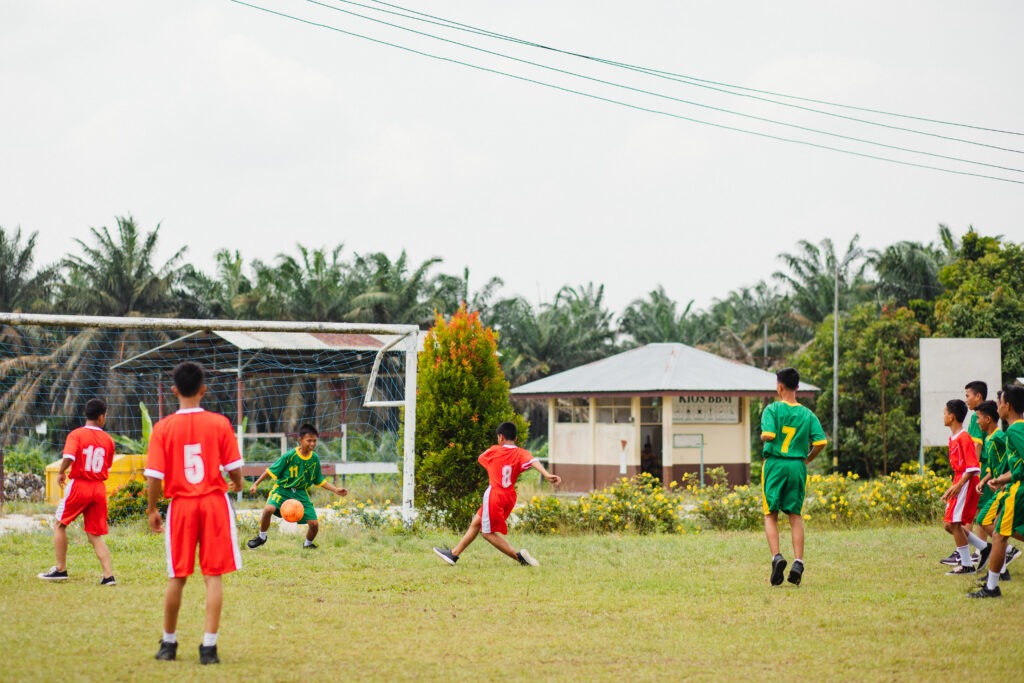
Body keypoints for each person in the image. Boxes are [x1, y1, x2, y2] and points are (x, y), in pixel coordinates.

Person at [145, 361, 245, 665]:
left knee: (177, 576)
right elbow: (235, 469)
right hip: (214, 503)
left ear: (174, 390)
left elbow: (154, 477)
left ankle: (169, 644)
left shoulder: (162, 428)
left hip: (182, 507)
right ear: (203, 390)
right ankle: (209, 648)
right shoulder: (219, 423)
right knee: (213, 576)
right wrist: (238, 483)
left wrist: (152, 509)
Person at [433, 421, 561, 567]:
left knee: (487, 533)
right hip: (509, 496)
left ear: (500, 437)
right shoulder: (521, 453)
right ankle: (454, 554)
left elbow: (481, 458)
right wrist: (546, 474)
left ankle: (520, 559)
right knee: (477, 521)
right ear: (516, 438)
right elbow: (533, 461)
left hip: (494, 494)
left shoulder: (494, 451)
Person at [759, 367, 827, 587]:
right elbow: (821, 442)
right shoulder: (807, 414)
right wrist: (807, 458)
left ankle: (777, 557)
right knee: (795, 515)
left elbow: (768, 435)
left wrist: (765, 435)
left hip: (775, 464)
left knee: (771, 514)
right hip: (797, 466)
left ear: (779, 386)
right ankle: (798, 562)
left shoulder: (772, 410)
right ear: (798, 387)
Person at [37, 398, 116, 585]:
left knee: (60, 525)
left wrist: (62, 471)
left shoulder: (76, 435)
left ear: (87, 415)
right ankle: (108, 576)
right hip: (98, 488)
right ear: (101, 417)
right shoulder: (109, 440)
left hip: (80, 484)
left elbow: (69, 456)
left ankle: (60, 569)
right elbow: (108, 464)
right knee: (95, 535)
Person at [245, 423, 347, 550]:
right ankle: (261, 537)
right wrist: (256, 483)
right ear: (300, 440)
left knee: (314, 524)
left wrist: (335, 490)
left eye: (315, 441)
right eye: (309, 440)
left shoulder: (314, 459)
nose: (312, 444)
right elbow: (270, 470)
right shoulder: (289, 456)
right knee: (268, 510)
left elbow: (319, 480)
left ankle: (308, 545)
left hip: (300, 493)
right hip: (282, 490)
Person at [969, 385, 1024, 598]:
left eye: (1000, 402)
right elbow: (1019, 465)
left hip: (1017, 491)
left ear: (1007, 405)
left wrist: (1007, 480)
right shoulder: (1016, 429)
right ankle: (992, 585)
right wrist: (1001, 478)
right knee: (1000, 533)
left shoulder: (1013, 430)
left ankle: (992, 587)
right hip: (1012, 486)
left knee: (1000, 535)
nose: (998, 405)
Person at [939, 399, 983, 575]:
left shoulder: (964, 437)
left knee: (954, 523)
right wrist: (952, 486)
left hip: (965, 481)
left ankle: (966, 565)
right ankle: (984, 547)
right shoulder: (954, 438)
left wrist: (958, 485)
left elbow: (973, 467)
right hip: (959, 480)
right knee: (949, 525)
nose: (943, 416)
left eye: (944, 413)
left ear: (952, 416)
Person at [972, 399, 1011, 574]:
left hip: (1006, 488)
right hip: (997, 487)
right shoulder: (989, 438)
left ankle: (1008, 551)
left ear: (988, 419)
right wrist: (985, 479)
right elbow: (993, 467)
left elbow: (1013, 460)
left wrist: (1004, 480)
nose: (977, 421)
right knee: (987, 522)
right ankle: (1002, 568)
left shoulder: (1000, 437)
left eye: (978, 418)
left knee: (987, 521)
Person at [965, 381, 987, 460]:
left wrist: (972, 470)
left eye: (967, 396)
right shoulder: (987, 414)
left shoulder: (976, 416)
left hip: (981, 466)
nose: (966, 400)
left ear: (978, 396)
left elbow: (977, 444)